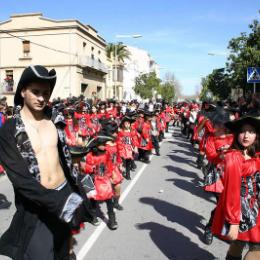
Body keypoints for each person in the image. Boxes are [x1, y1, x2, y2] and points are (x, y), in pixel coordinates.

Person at [0, 65, 92, 260]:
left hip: (65, 194)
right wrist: (62, 203)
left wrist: (78, 186)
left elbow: (64, 159)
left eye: (46, 93)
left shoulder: (55, 119)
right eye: (35, 91)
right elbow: (22, 181)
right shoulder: (9, 130)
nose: (42, 98)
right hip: (38, 208)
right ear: (23, 90)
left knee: (63, 253)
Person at [211, 116, 260, 260]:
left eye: (251, 132)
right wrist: (233, 222)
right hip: (240, 210)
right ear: (236, 134)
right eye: (243, 132)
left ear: (256, 135)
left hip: (253, 208)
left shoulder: (253, 154)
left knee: (238, 244)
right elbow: (232, 191)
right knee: (257, 249)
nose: (246, 136)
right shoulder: (233, 157)